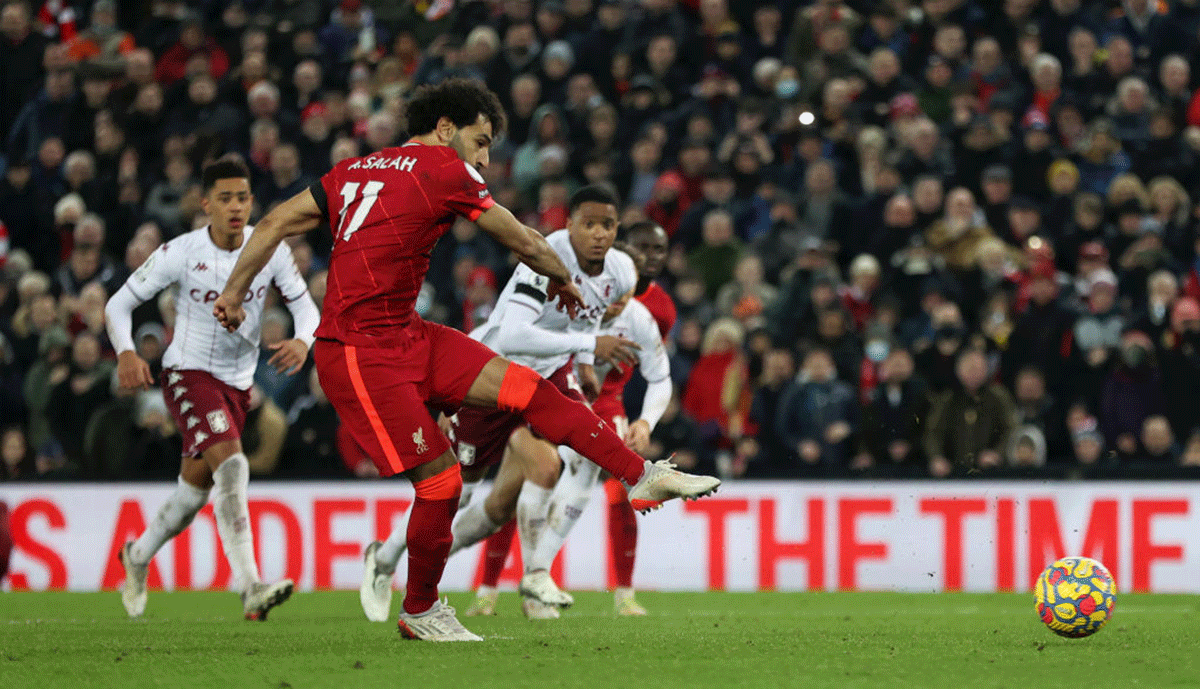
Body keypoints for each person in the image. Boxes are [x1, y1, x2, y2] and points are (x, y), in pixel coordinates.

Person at [212, 80, 719, 642]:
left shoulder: (353, 170)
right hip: (358, 352)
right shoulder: (444, 170)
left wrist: (234, 293)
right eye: (480, 142)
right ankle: (420, 610)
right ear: (446, 129)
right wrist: (565, 280)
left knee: (531, 389)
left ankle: (642, 476)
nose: (483, 158)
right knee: (442, 484)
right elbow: (523, 240)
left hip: (410, 335)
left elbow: (273, 222)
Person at [362, 185, 641, 623]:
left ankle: (536, 571)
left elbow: (584, 315)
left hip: (548, 376)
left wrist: (585, 362)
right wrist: (591, 344)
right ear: (569, 225)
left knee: (583, 448)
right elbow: (512, 334)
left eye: (607, 225)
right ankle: (385, 557)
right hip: (493, 373)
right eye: (588, 224)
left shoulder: (622, 271)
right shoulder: (544, 257)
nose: (599, 234)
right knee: (459, 490)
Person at [105, 158, 319, 620]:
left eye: (242, 197)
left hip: (238, 387)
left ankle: (136, 556)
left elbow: (307, 309)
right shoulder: (181, 252)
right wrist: (126, 351)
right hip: (188, 374)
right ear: (206, 204)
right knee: (235, 465)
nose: (236, 207)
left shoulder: (272, 249)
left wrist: (304, 340)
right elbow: (118, 305)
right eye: (224, 198)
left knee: (190, 496)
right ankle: (250, 586)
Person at [465, 241, 673, 618]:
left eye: (628, 288)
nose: (617, 296)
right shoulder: (566, 297)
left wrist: (645, 421)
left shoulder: (644, 316)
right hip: (533, 394)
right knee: (511, 493)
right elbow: (512, 335)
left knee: (605, 481)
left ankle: (602, 589)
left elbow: (661, 377)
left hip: (596, 402)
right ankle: (491, 587)